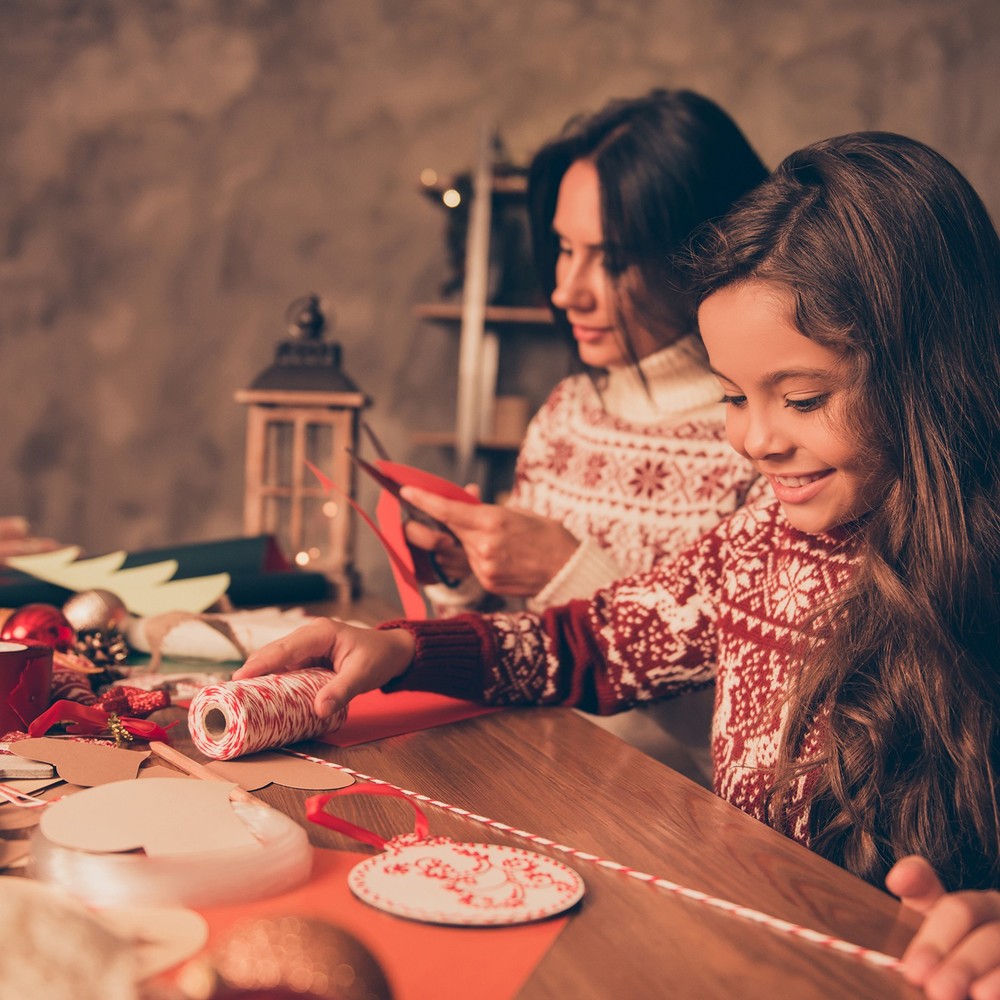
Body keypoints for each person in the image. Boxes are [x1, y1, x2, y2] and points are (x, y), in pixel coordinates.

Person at [238, 131, 1000, 996]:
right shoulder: (762, 540)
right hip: (764, 955)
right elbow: (592, 642)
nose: (755, 440)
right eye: (730, 396)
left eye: (802, 398)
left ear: (931, 368)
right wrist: (409, 650)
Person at [406, 90, 768, 782]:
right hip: (531, 772)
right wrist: (466, 574)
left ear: (704, 248)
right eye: (565, 248)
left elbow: (747, 735)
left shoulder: (765, 438)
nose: (567, 289)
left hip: (673, 816)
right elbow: (520, 639)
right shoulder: (566, 412)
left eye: (610, 258)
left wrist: (569, 572)